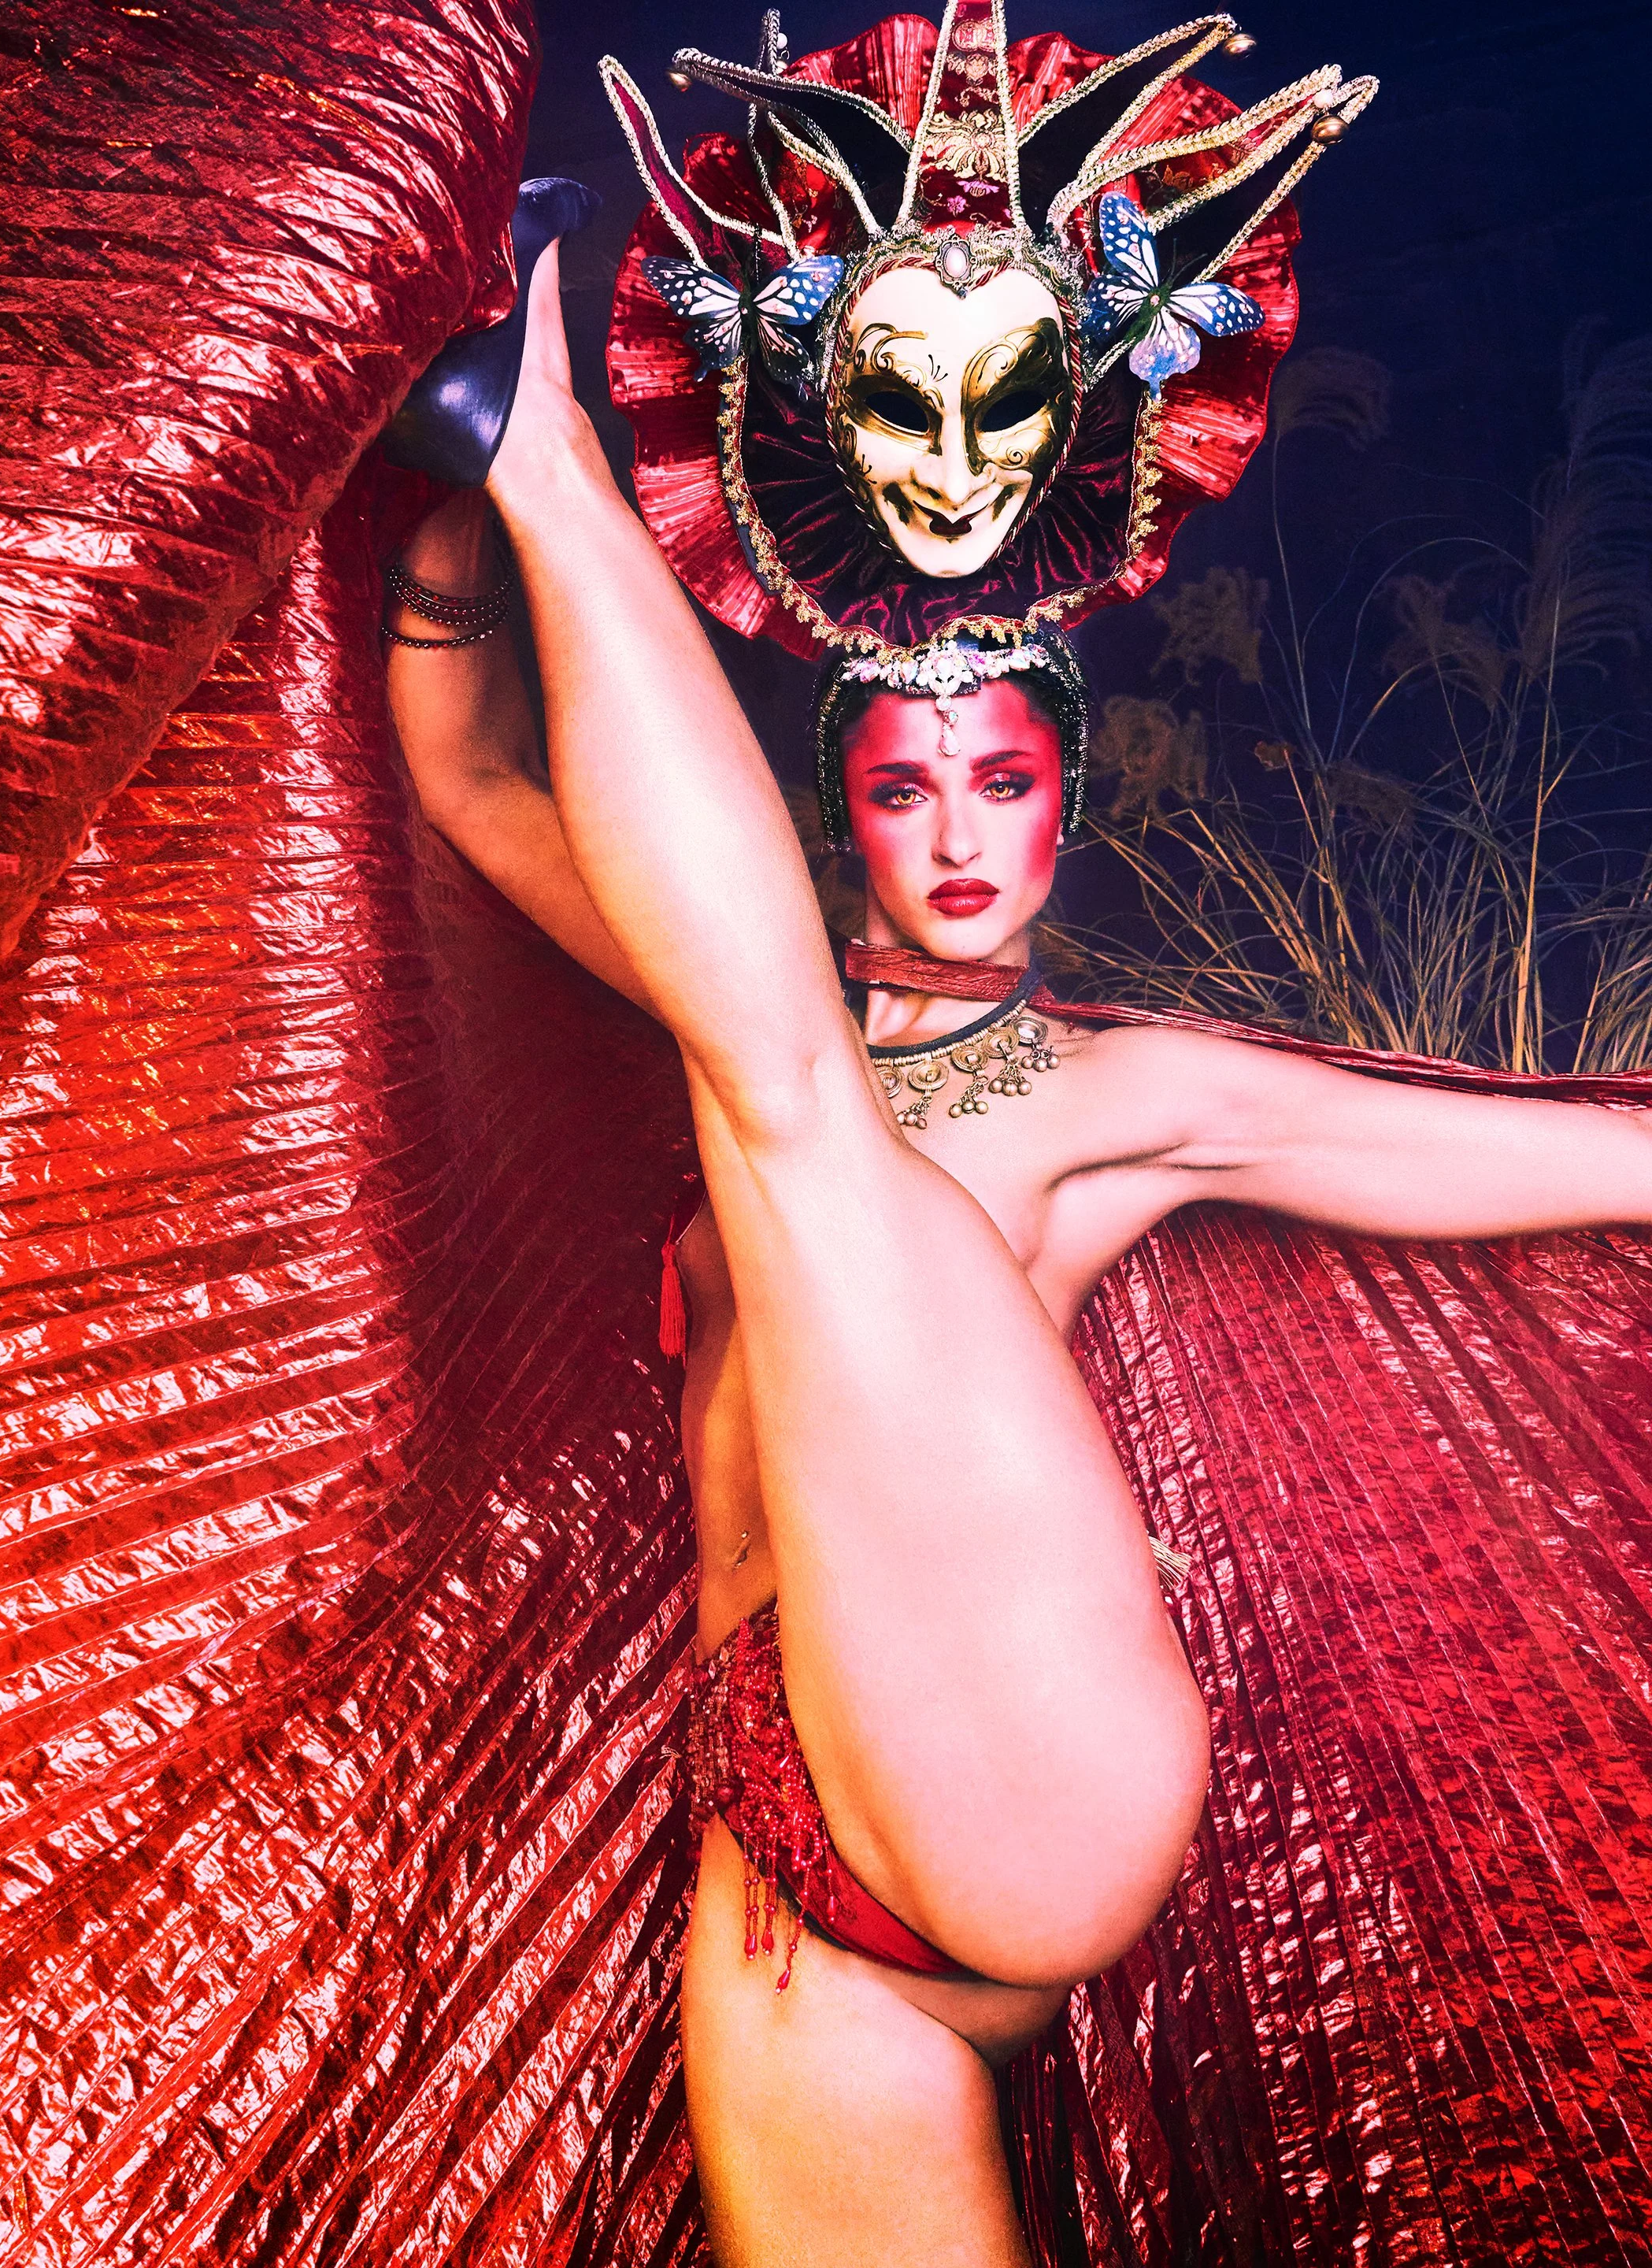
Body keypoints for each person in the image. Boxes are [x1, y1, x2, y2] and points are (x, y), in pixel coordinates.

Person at [383, 243, 1652, 2268]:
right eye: (902, 788)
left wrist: (509, 465)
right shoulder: (728, 987)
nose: (961, 836)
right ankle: (503, 458)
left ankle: (546, 448)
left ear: (1066, 814)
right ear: (839, 821)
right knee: (766, 1064)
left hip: (1019, 1763)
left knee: (788, 1102)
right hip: (797, 1887)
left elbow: (1529, 1164)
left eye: (1006, 782)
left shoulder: (1104, 1087)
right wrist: (430, 529)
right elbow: (470, 776)